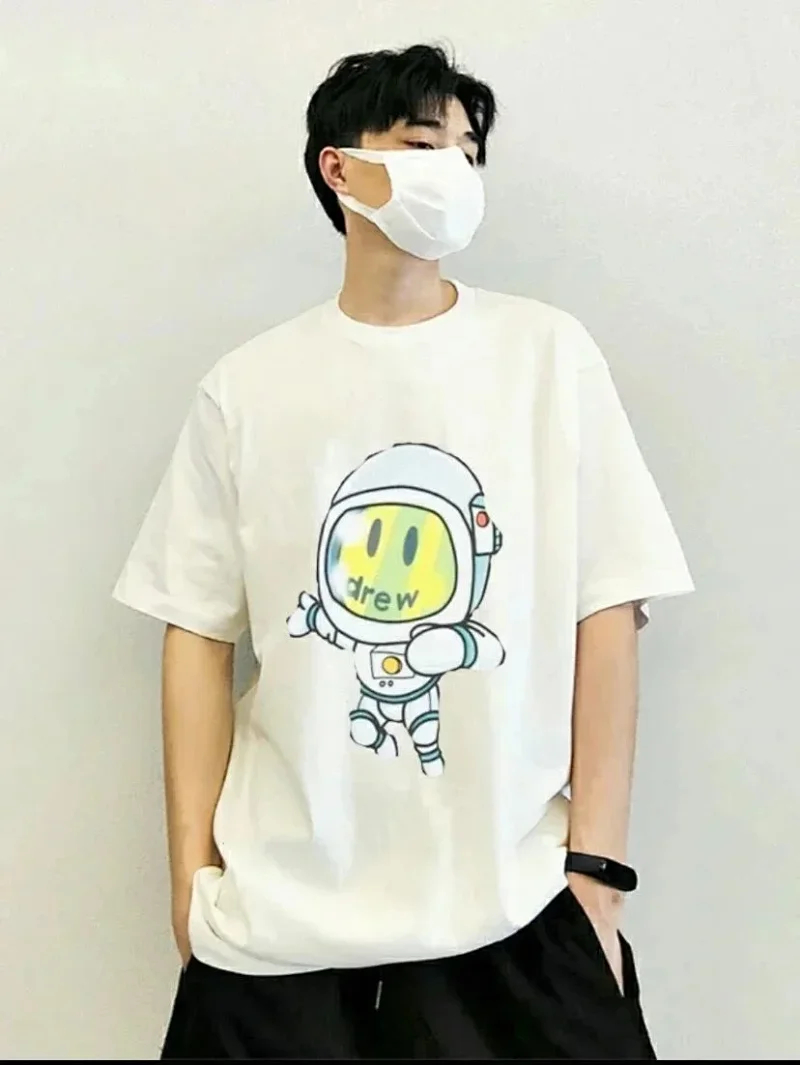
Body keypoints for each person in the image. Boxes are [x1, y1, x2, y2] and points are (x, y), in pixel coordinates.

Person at [113, 42, 694, 1060]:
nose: (453, 171)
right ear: (339, 167)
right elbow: (194, 631)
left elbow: (608, 606)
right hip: (279, 925)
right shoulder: (247, 388)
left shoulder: (546, 357)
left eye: (467, 151)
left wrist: (596, 874)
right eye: (424, 144)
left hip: (512, 908)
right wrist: (190, 884)